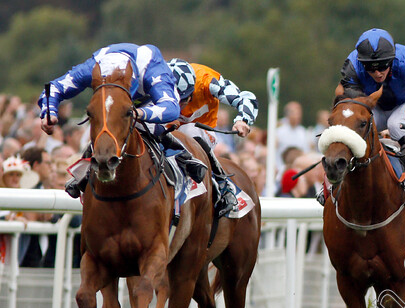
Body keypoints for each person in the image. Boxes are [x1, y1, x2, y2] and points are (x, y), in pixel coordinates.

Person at [38, 43, 207, 198]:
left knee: (140, 122)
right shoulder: (92, 67)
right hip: (111, 102)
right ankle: (87, 164)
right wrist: (49, 111)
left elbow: (171, 108)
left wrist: (139, 113)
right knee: (103, 117)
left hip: (146, 101)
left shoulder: (152, 67)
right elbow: (53, 88)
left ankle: (182, 153)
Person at [340, 28, 405, 204]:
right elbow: (352, 101)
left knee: (396, 124)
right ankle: (335, 184)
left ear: (392, 59)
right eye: (370, 68)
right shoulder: (353, 64)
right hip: (376, 105)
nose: (377, 73)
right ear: (362, 63)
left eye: (382, 66)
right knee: (354, 125)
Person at [167, 59, 259, 217]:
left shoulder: (207, 81)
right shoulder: (154, 79)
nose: (179, 106)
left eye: (183, 100)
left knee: (187, 131)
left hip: (200, 130)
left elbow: (247, 98)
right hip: (167, 127)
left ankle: (223, 185)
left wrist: (242, 120)